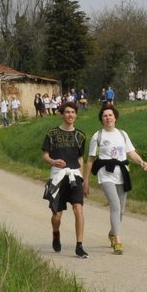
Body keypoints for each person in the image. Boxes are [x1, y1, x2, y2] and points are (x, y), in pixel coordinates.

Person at [85, 104, 147, 255]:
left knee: (121, 210)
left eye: (110, 115)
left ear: (115, 118)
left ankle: (112, 233)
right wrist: (85, 180)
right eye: (105, 116)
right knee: (115, 206)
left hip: (122, 174)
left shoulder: (122, 134)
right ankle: (118, 242)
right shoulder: (98, 136)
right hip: (105, 174)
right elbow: (90, 159)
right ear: (101, 119)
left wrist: (141, 162)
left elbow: (131, 152)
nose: (108, 118)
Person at [42, 100, 89, 258]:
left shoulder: (80, 136)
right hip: (57, 176)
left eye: (73, 113)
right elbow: (45, 155)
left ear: (76, 115)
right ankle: (56, 234)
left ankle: (79, 246)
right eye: (67, 112)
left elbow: (81, 158)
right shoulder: (52, 134)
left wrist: (82, 179)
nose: (70, 115)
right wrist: (53, 161)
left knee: (78, 209)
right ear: (62, 114)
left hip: (74, 176)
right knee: (57, 215)